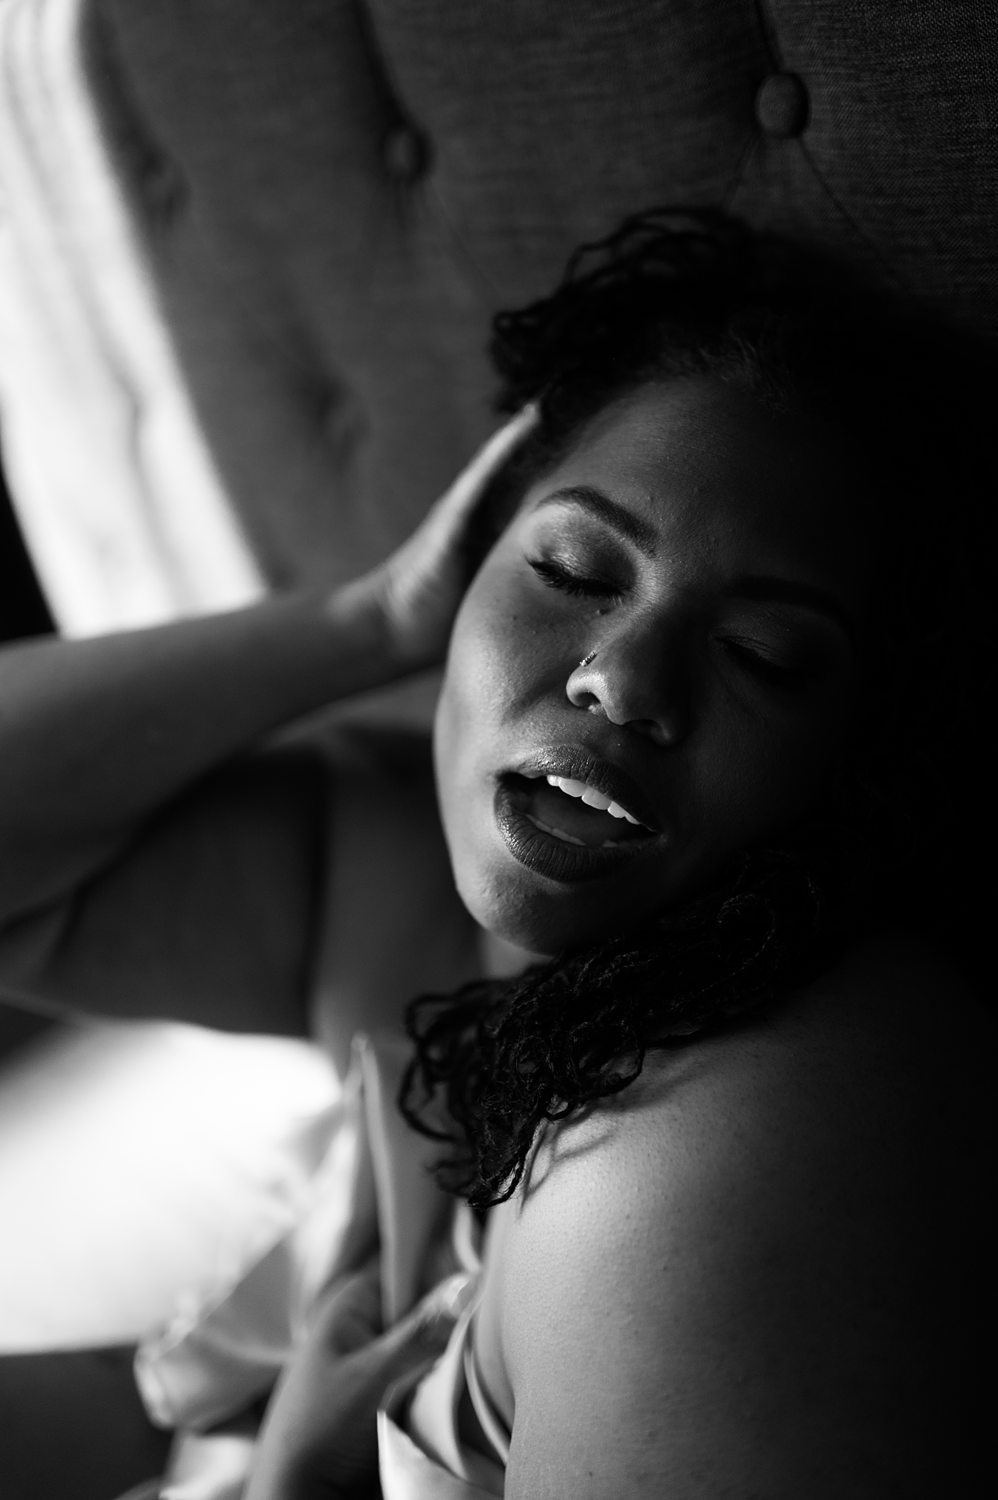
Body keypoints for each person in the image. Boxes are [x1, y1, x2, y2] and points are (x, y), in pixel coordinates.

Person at [0, 209, 992, 1498]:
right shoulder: (398, 877)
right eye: (573, 569)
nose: (622, 679)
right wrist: (368, 620)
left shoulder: (749, 1127)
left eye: (763, 655)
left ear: (861, 754)